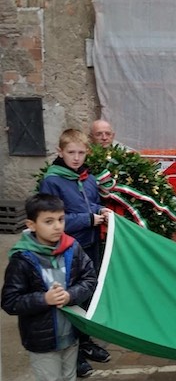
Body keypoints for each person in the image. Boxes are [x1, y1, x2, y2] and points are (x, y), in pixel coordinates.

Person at [38, 129, 112, 377]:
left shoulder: (86, 178)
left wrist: (102, 209)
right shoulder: (52, 180)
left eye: (81, 152)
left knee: (88, 293)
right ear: (60, 152)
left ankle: (86, 341)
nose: (77, 157)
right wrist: (88, 219)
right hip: (67, 249)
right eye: (71, 152)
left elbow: (89, 204)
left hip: (90, 245)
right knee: (71, 298)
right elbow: (50, 220)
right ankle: (75, 353)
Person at [1, 194, 97, 381]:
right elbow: (10, 301)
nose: (57, 226)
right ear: (31, 225)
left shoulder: (73, 247)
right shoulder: (22, 259)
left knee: (69, 376)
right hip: (42, 342)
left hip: (71, 334)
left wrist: (70, 295)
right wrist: (44, 299)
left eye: (61, 219)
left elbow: (90, 279)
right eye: (49, 221)